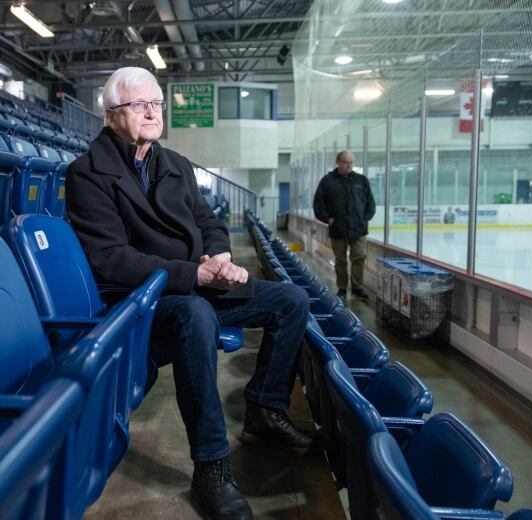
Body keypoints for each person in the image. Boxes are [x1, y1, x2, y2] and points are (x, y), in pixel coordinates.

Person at [66, 67, 311, 520]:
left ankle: (264, 409)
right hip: (141, 301)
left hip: (194, 284)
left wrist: (219, 257)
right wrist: (193, 276)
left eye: (157, 104)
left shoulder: (174, 164)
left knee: (291, 301)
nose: (152, 113)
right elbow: (110, 260)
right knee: (196, 315)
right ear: (110, 114)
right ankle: (212, 466)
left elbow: (209, 223)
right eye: (139, 105)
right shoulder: (86, 175)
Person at [312, 151, 375, 300]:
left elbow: (370, 203)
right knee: (340, 260)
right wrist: (328, 219)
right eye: (346, 162)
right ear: (338, 162)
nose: (349, 165)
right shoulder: (327, 181)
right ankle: (342, 287)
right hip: (338, 229)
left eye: (351, 162)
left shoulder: (361, 180)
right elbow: (318, 204)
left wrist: (364, 218)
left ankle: (357, 287)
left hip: (358, 229)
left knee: (359, 257)